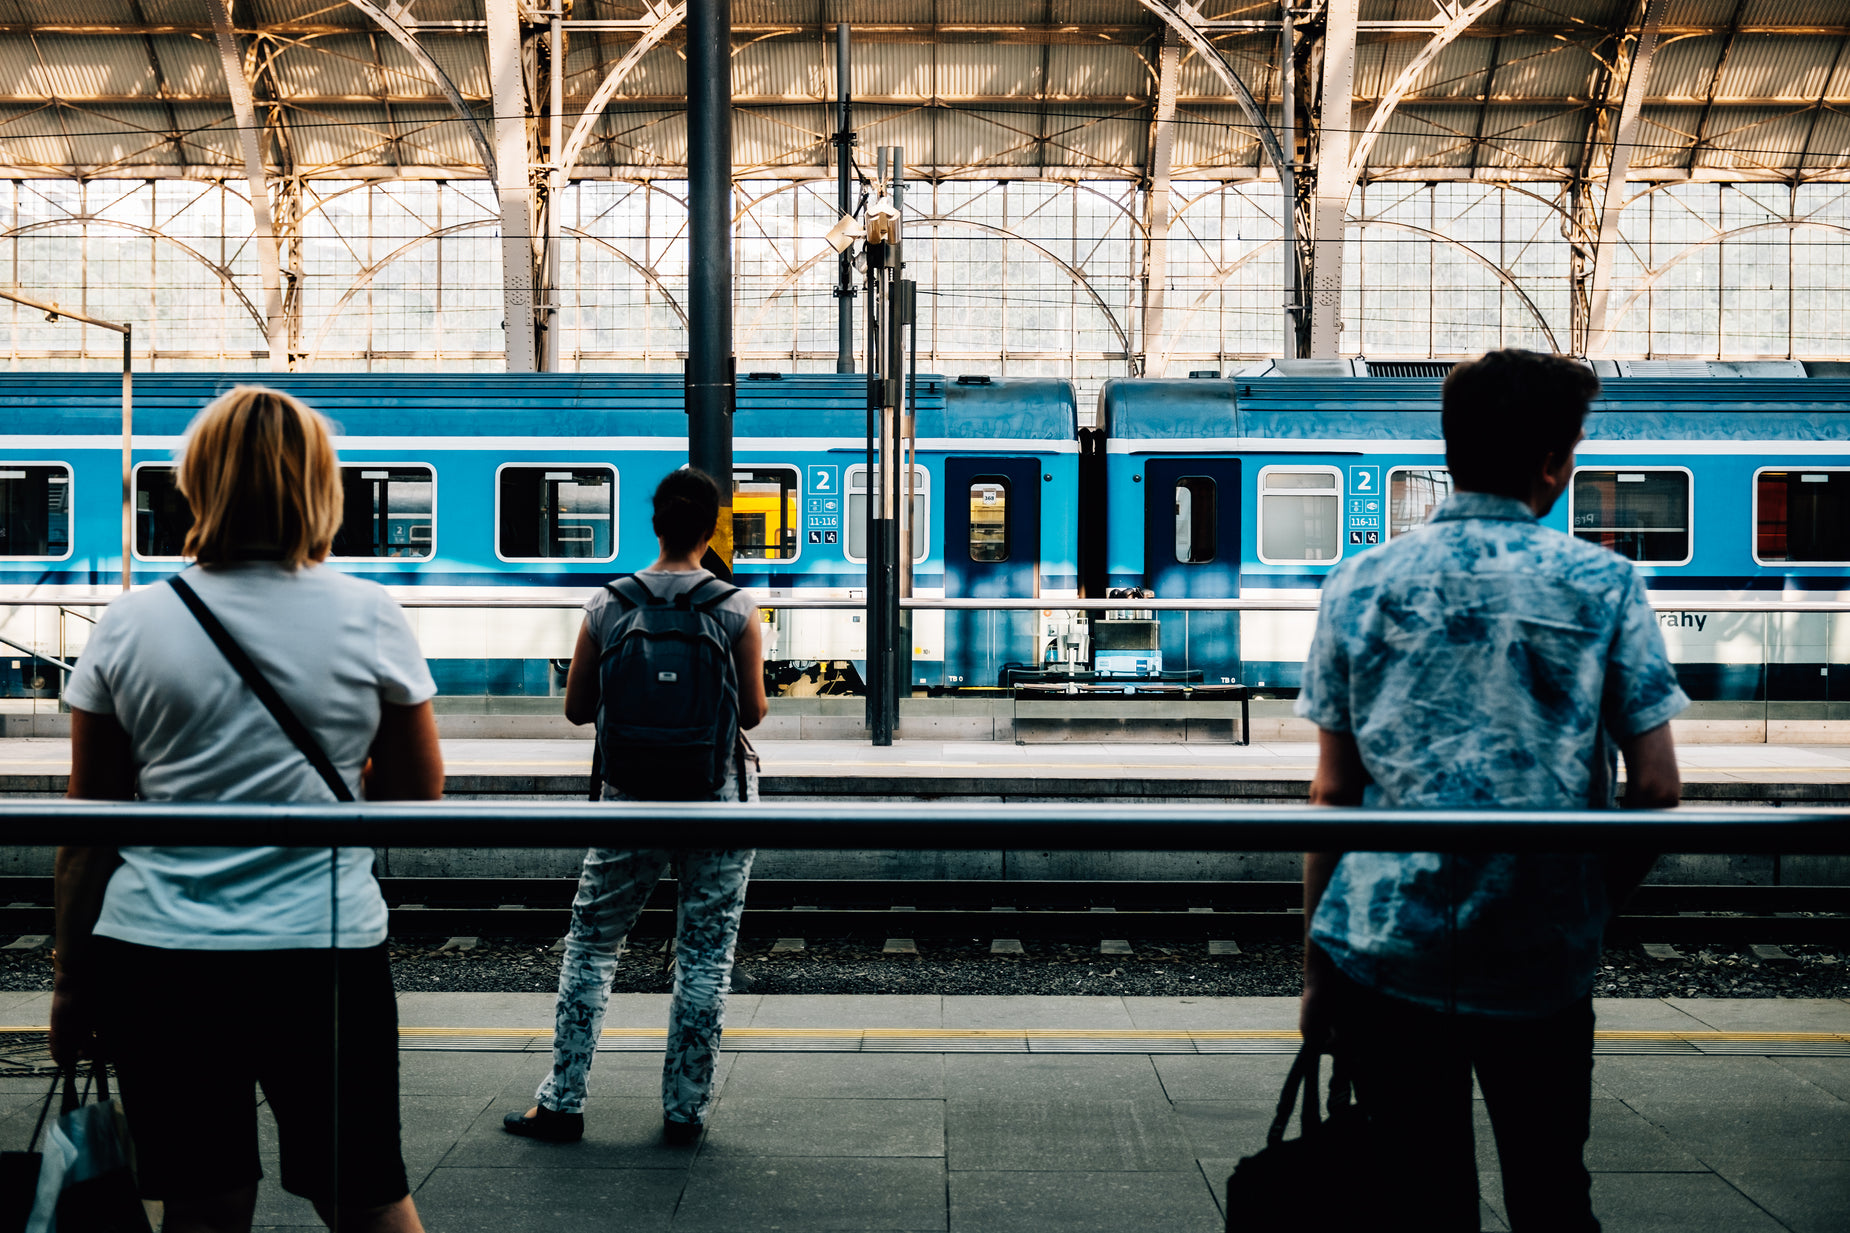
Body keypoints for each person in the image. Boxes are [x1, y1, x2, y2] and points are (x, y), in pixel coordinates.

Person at [1295, 349, 1687, 1232]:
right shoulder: (1605, 584)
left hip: (1385, 953)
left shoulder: (1358, 583)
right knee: (1551, 1192)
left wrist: (1319, 975)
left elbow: (1333, 795)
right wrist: (1584, 902)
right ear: (1553, 461)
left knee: (1421, 1202)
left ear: (1450, 447)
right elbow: (1658, 788)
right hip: (1540, 959)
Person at [51, 385, 443, 1233]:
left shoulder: (129, 623)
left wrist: (72, 982)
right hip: (326, 952)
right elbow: (418, 799)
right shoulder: (370, 614)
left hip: (161, 957)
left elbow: (92, 829)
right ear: (319, 484)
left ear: (195, 484)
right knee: (368, 1196)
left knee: (203, 1204)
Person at [504, 467, 768, 1146]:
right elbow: (756, 712)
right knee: (707, 954)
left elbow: (576, 710)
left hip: (628, 801)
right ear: (712, 530)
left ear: (654, 523)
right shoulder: (736, 607)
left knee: (592, 944)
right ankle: (684, 1111)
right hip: (717, 798)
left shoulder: (608, 604)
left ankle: (562, 1100)